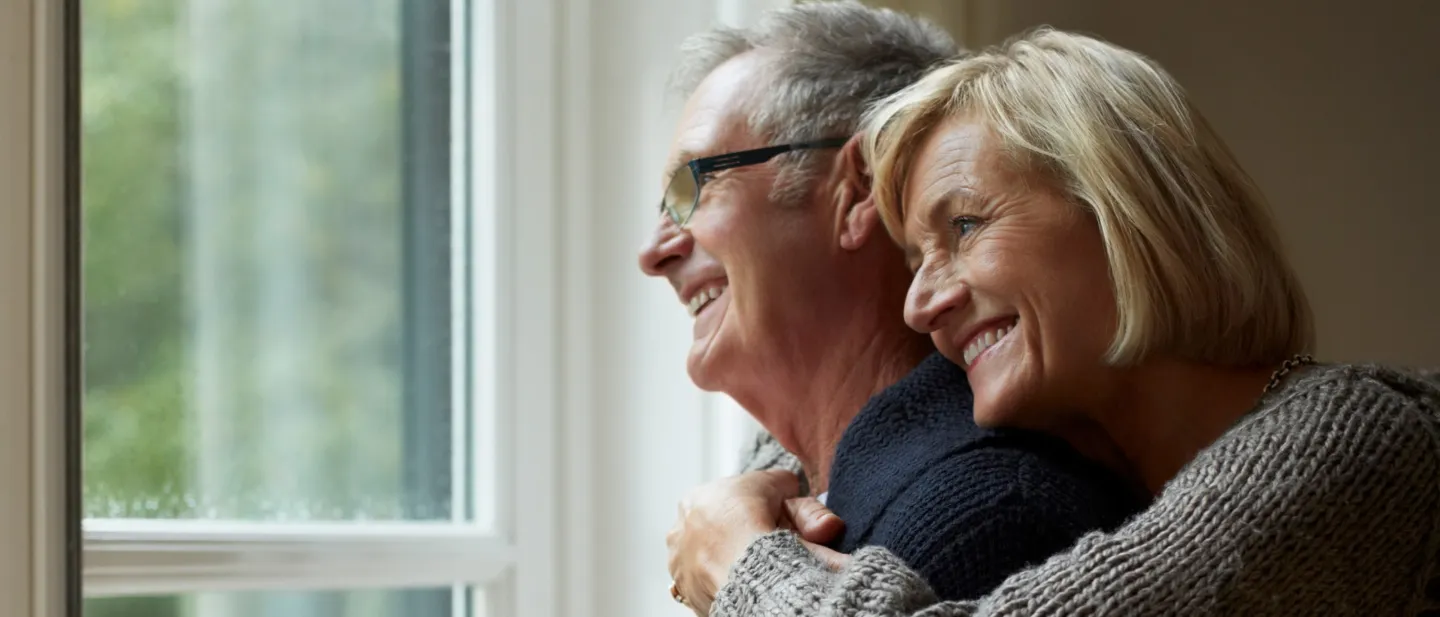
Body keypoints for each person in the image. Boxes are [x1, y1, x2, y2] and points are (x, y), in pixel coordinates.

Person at [664, 26, 1440, 616]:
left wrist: (743, 560)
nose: (921, 303)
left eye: (964, 226)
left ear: (1123, 210)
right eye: (916, 256)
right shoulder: (1124, 470)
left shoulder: (1353, 438)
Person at [641, 5, 1147, 614]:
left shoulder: (985, 511)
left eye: (692, 186)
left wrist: (742, 570)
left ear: (857, 189)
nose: (654, 252)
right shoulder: (790, 498)